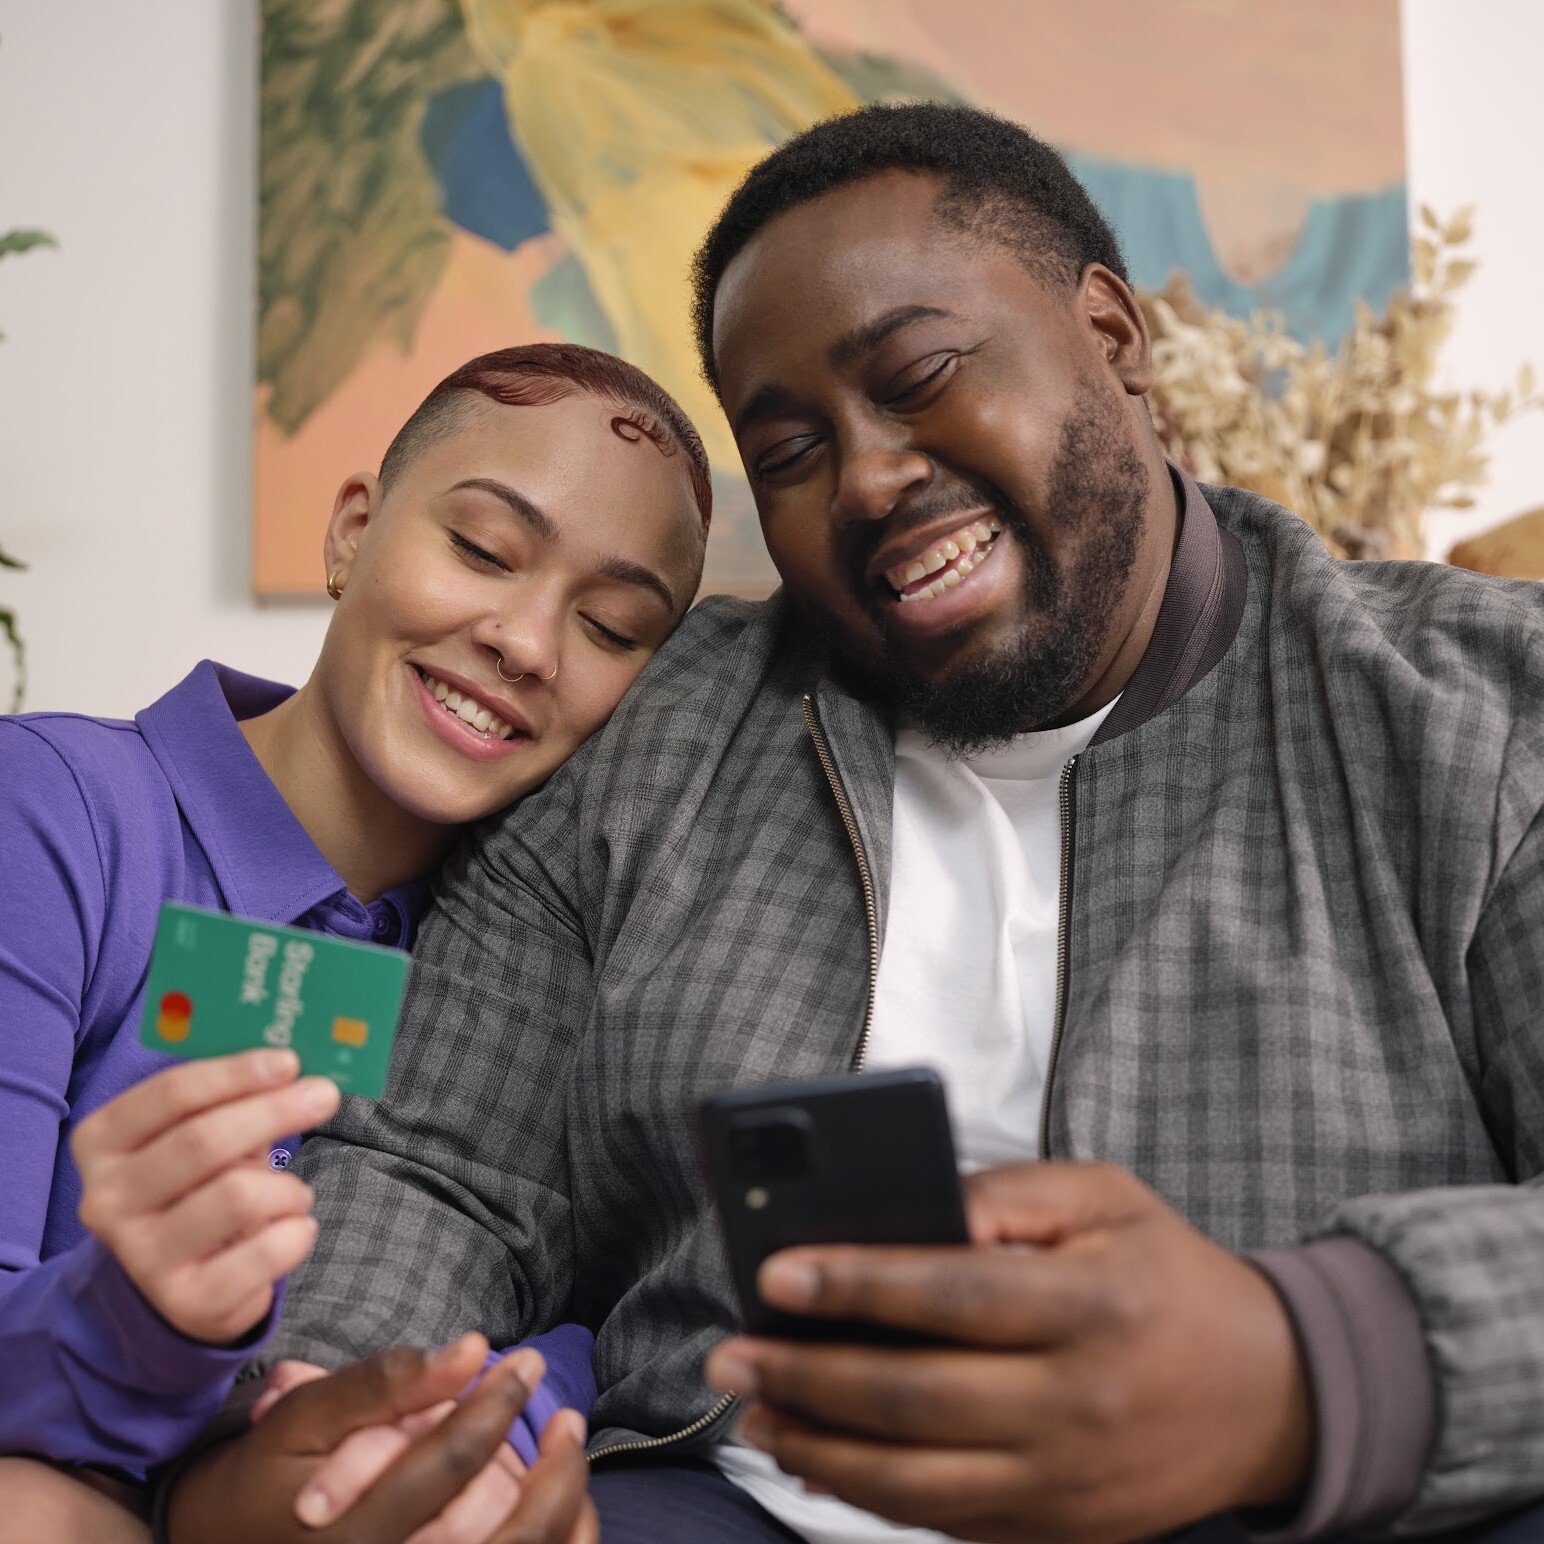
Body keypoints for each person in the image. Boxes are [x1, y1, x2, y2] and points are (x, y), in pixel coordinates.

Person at [165, 104, 1544, 1543]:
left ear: (1117, 345)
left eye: (920, 376)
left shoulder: (1483, 713)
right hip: (725, 1498)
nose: (870, 478)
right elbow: (437, 1163)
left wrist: (1302, 1362)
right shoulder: (659, 728)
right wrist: (351, 1421)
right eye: (792, 451)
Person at [0, 342, 711, 1542]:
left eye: (610, 624)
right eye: (481, 549)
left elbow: (623, 1313)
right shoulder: (58, 810)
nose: (527, 641)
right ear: (350, 532)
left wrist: (472, 1423)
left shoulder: (560, 976)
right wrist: (151, 1313)